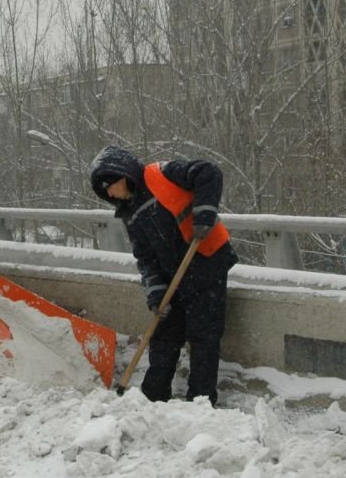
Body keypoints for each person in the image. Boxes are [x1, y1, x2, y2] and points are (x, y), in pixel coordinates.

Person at [89, 146, 238, 405]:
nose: (109, 194)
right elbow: (145, 259)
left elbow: (207, 172)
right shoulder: (130, 212)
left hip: (206, 261)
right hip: (174, 278)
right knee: (163, 336)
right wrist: (156, 294)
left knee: (203, 335)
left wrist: (204, 213)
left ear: (122, 175)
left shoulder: (162, 174)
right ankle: (152, 399)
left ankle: (201, 402)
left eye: (109, 187)